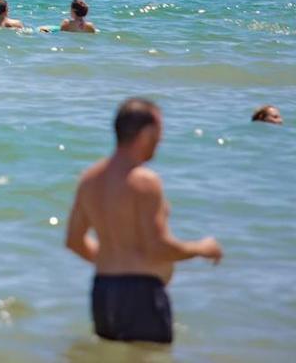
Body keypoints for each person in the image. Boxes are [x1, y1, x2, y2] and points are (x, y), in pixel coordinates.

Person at [65, 98, 222, 345]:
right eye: (160, 132)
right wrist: (203, 248)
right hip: (141, 297)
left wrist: (116, 263)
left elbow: (74, 241)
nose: (161, 140)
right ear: (147, 132)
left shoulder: (89, 179)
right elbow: (157, 247)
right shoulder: (144, 181)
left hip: (103, 292)